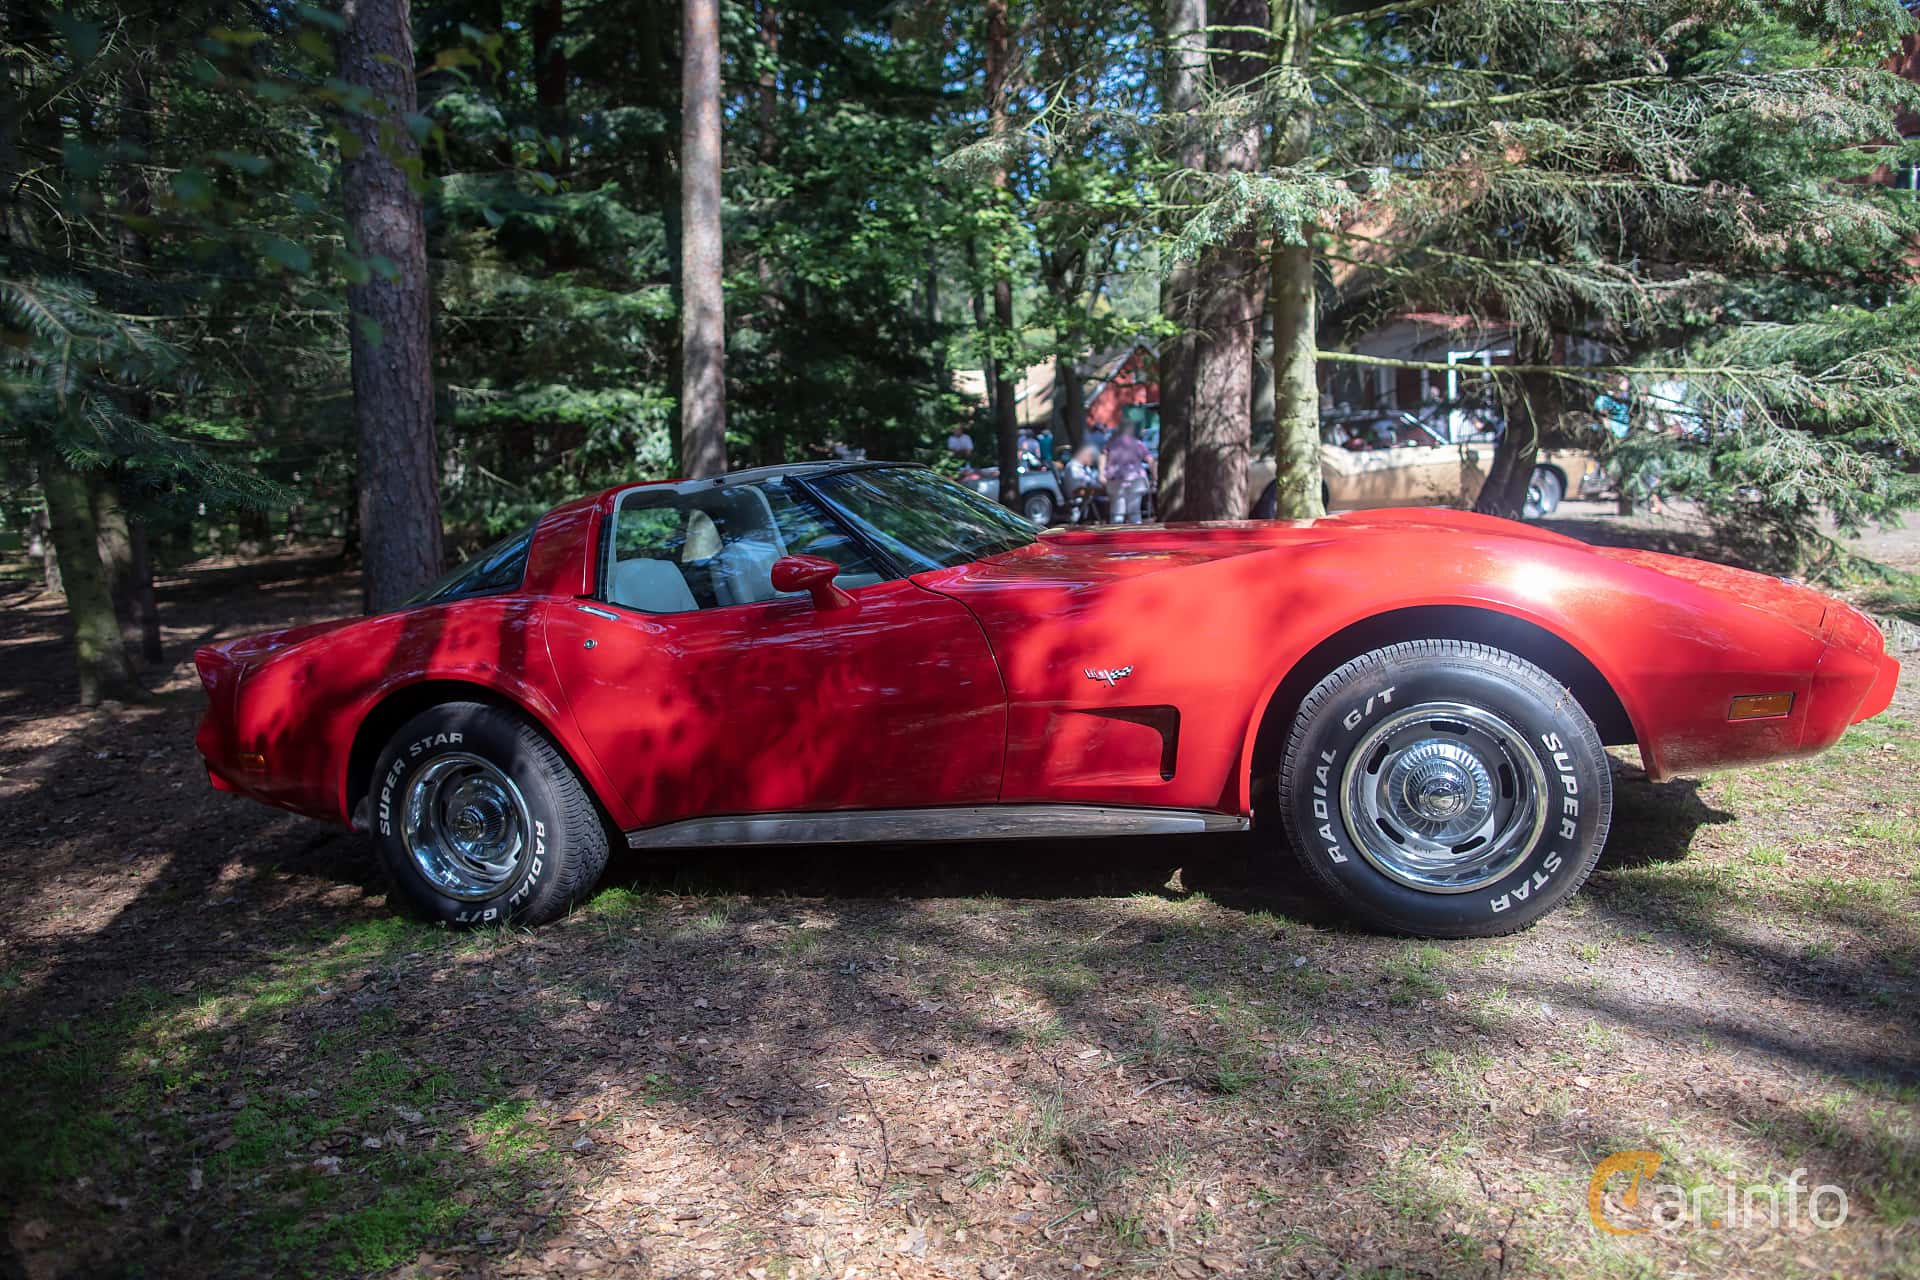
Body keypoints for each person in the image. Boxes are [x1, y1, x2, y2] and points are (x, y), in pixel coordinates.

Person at [1099, 421, 1156, 524]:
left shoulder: (1111, 443)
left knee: (1117, 512)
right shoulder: (1138, 443)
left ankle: (1115, 535)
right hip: (1136, 480)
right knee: (1135, 512)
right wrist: (1155, 478)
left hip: (1115, 479)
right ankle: (1136, 536)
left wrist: (1101, 474)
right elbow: (1150, 460)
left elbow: (1103, 455)